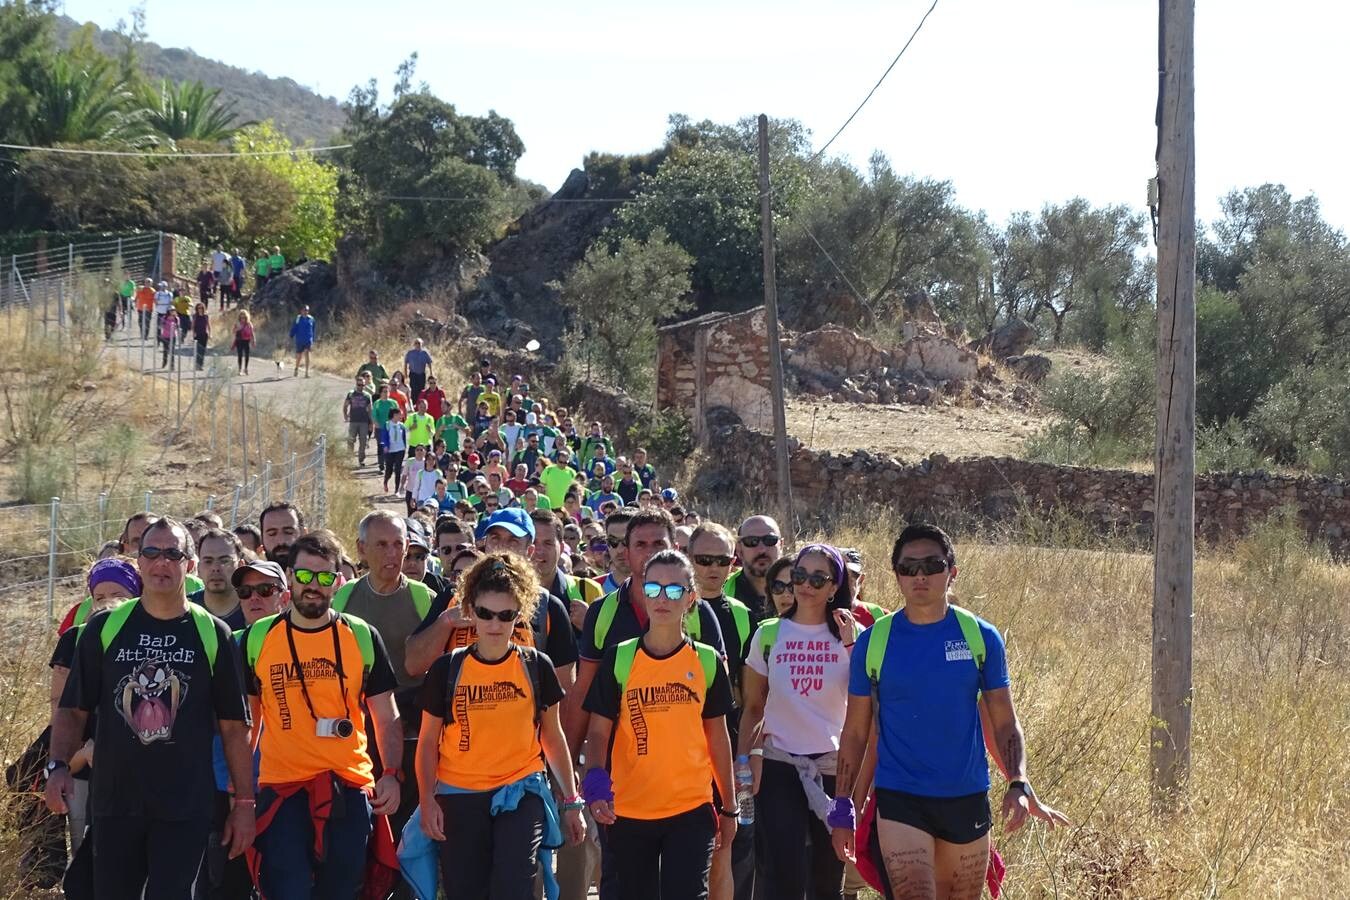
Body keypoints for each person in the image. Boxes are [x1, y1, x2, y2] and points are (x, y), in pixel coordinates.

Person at [832, 525, 1069, 900]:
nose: (920, 575)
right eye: (908, 567)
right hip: (901, 798)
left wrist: (1018, 781)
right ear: (896, 575)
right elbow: (856, 732)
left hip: (967, 796)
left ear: (952, 572)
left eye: (932, 564)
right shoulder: (874, 642)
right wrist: (843, 803)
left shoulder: (981, 636)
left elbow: (1005, 721)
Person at [45, 518, 255, 900]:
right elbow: (73, 709)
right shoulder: (104, 628)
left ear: (189, 565)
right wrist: (58, 765)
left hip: (184, 805)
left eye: (173, 553)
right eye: (152, 552)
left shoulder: (213, 633)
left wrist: (244, 803)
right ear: (138, 561)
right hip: (114, 803)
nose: (162, 562)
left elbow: (234, 726)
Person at [242, 531, 403, 899]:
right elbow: (245, 725)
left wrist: (391, 773)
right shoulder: (258, 638)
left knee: (342, 891)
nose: (313, 586)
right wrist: (240, 794)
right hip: (282, 789)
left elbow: (386, 714)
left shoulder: (361, 636)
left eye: (325, 577)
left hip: (348, 786)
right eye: (304, 576)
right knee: (288, 890)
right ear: (289, 576)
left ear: (338, 582)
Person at [414, 553, 585, 899]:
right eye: (485, 613)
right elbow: (428, 741)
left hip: (521, 791)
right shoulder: (447, 670)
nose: (494, 623)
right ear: (470, 611)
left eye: (505, 615)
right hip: (458, 795)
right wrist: (427, 800)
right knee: (466, 891)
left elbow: (553, 736)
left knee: (514, 886)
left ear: (519, 615)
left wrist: (571, 800)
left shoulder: (537, 666)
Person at [581, 549, 737, 899]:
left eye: (674, 590)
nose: (662, 598)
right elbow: (598, 731)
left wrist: (728, 806)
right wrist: (594, 779)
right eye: (653, 589)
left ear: (691, 599)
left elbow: (718, 737)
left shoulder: (707, 661)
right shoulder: (619, 658)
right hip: (628, 812)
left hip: (691, 811)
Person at [737, 544, 858, 900]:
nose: (805, 585)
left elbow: (864, 706)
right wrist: (746, 759)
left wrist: (852, 645)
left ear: (835, 586)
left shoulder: (852, 634)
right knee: (782, 874)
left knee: (826, 877)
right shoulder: (769, 634)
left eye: (818, 579)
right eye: (799, 576)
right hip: (778, 764)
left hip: (834, 767)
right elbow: (754, 706)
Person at [330, 512, 437, 852]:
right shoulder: (344, 599)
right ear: (362, 549)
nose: (393, 554)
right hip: (360, 734)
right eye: (381, 545)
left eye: (398, 545)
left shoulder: (424, 598)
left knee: (412, 830)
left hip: (415, 734)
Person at [47, 557, 142, 859]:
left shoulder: (150, 639)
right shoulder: (74, 638)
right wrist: (77, 756)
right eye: (99, 596)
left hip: (139, 768)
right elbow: (60, 710)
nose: (107, 603)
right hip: (82, 766)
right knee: (86, 855)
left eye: (118, 595)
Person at [688, 522, 759, 900]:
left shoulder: (744, 615)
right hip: (683, 747)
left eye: (722, 560)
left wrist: (749, 751)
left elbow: (751, 694)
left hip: (732, 747)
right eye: (703, 559)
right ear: (689, 558)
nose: (713, 568)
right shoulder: (675, 607)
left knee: (734, 842)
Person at [727, 516, 782, 619]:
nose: (762, 550)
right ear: (739, 549)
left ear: (781, 545)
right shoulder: (723, 593)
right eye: (752, 541)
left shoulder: (802, 592)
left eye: (770, 540)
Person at [195, 528, 247, 631]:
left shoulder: (253, 609)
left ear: (240, 566)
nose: (215, 568)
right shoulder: (185, 609)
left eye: (225, 561)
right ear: (198, 568)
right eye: (208, 561)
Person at [260, 501, 306, 567]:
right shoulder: (250, 576)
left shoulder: (321, 574)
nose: (281, 541)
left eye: (288, 532)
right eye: (272, 534)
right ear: (262, 538)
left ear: (304, 534)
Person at [344, 375, 376, 467]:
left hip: (364, 422)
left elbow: (370, 410)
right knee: (351, 440)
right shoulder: (351, 394)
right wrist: (345, 415)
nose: (360, 387)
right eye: (359, 385)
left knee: (363, 441)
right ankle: (349, 458)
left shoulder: (367, 396)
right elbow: (345, 405)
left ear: (365, 385)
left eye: (362, 385)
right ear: (356, 384)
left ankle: (361, 460)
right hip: (353, 421)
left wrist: (371, 423)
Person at [383, 408, 409, 496]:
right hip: (390, 450)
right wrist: (385, 446)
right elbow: (384, 436)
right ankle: (386, 481)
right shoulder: (387, 425)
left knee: (398, 470)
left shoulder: (401, 425)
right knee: (389, 470)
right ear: (394, 415)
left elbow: (405, 436)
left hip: (400, 449)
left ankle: (396, 489)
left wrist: (405, 447)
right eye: (399, 414)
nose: (401, 416)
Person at [290, 305, 316, 378]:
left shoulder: (311, 319)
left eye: (307, 310)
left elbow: (313, 329)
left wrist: (313, 339)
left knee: (307, 354)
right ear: (301, 311)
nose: (305, 312)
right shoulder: (298, 319)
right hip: (300, 340)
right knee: (299, 356)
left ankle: (307, 373)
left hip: (308, 340)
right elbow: (294, 327)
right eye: (304, 310)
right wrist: (291, 335)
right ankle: (296, 368)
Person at [158, 303, 178, 369]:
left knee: (172, 351)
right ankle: (164, 362)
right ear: (168, 311)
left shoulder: (176, 319)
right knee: (165, 350)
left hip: (173, 336)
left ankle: (172, 365)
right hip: (165, 336)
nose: (172, 311)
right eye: (171, 310)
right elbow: (161, 325)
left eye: (173, 310)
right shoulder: (164, 318)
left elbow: (178, 327)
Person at [233, 310, 253, 375]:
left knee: (247, 355)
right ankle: (239, 369)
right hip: (239, 340)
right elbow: (233, 331)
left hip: (247, 341)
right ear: (239, 317)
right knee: (240, 355)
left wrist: (254, 340)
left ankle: (246, 368)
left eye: (244, 317)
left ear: (246, 317)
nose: (242, 319)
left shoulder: (249, 324)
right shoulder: (237, 323)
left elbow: (252, 332)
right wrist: (238, 329)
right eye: (241, 317)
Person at [192, 302, 210, 370]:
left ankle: (201, 365)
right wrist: (193, 333)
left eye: (201, 308)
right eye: (199, 308)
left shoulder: (206, 316)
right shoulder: (195, 316)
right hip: (197, 334)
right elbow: (193, 325)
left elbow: (208, 325)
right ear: (197, 308)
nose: (200, 309)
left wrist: (210, 333)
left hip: (204, 334)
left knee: (203, 350)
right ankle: (197, 364)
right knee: (197, 350)